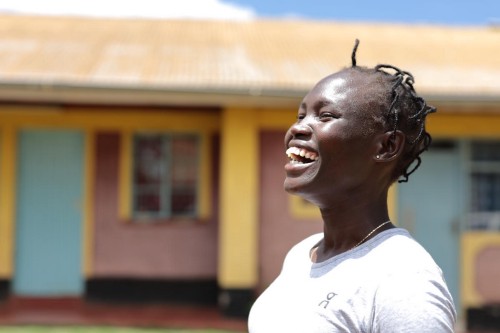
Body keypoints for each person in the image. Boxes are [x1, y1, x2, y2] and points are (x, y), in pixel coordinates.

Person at [248, 40, 456, 332]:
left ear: (386, 145)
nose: (297, 128)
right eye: (300, 115)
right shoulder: (302, 254)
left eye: (325, 116)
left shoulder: (403, 279)